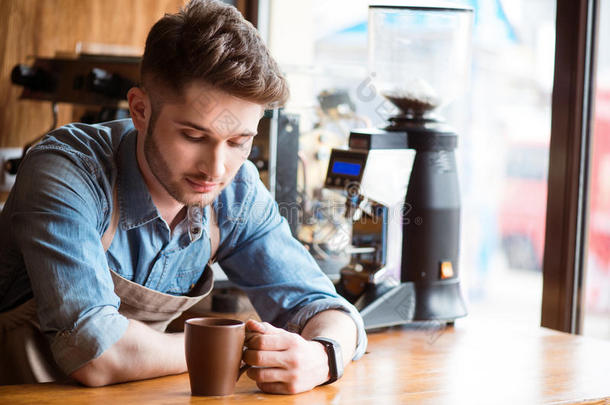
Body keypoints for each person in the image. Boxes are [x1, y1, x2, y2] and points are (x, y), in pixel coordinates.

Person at [0, 0, 366, 394]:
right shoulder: (66, 172)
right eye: (193, 136)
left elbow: (325, 307)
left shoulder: (237, 191)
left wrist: (322, 356)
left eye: (239, 141)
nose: (216, 168)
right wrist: (233, 345)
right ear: (140, 110)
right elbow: (95, 352)